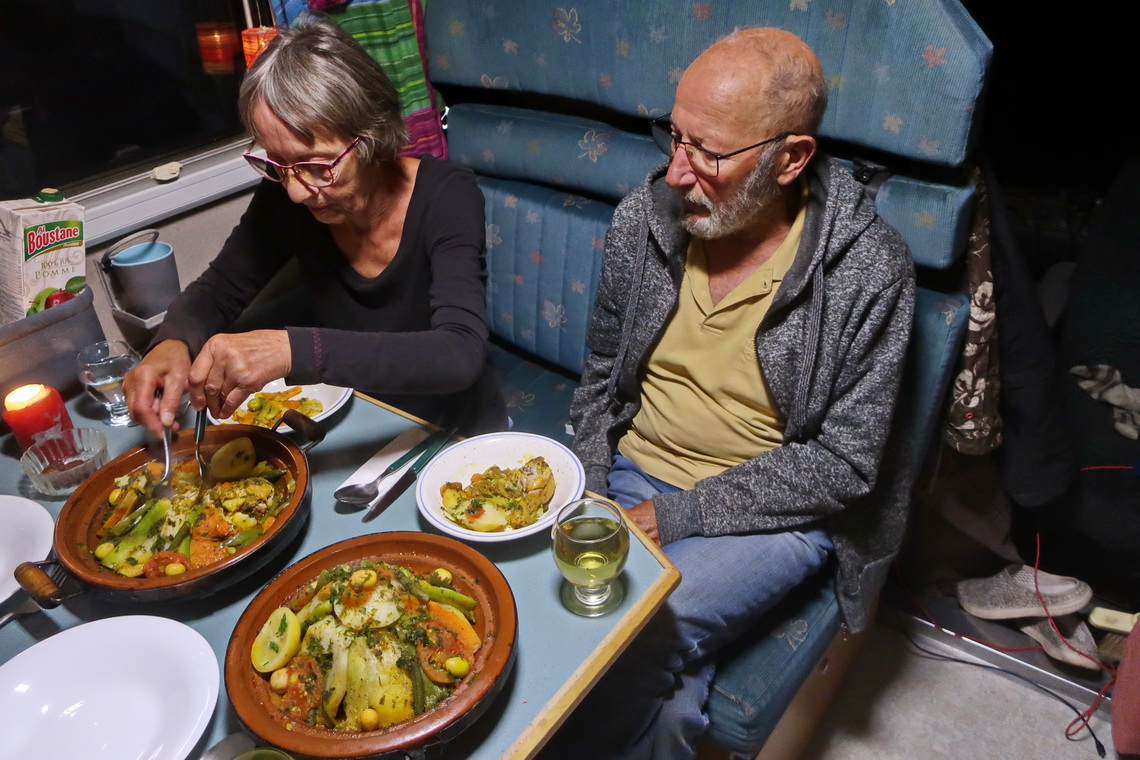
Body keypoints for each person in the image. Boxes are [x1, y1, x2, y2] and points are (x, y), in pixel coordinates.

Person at [547, 28, 916, 759]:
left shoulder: (869, 273)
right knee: (665, 705)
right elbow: (599, 374)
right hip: (631, 471)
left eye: (707, 151)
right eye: (673, 138)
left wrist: (674, 515)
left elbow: (844, 465)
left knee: (637, 631)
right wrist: (588, 488)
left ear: (790, 158)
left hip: (772, 512)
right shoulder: (645, 219)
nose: (677, 173)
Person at [124, 16, 505, 436]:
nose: (296, 192)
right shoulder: (289, 193)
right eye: (277, 163)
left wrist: (292, 349)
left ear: (373, 136)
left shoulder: (448, 194)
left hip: (452, 429)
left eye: (319, 166)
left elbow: (459, 353)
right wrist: (171, 342)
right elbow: (220, 288)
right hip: (357, 419)